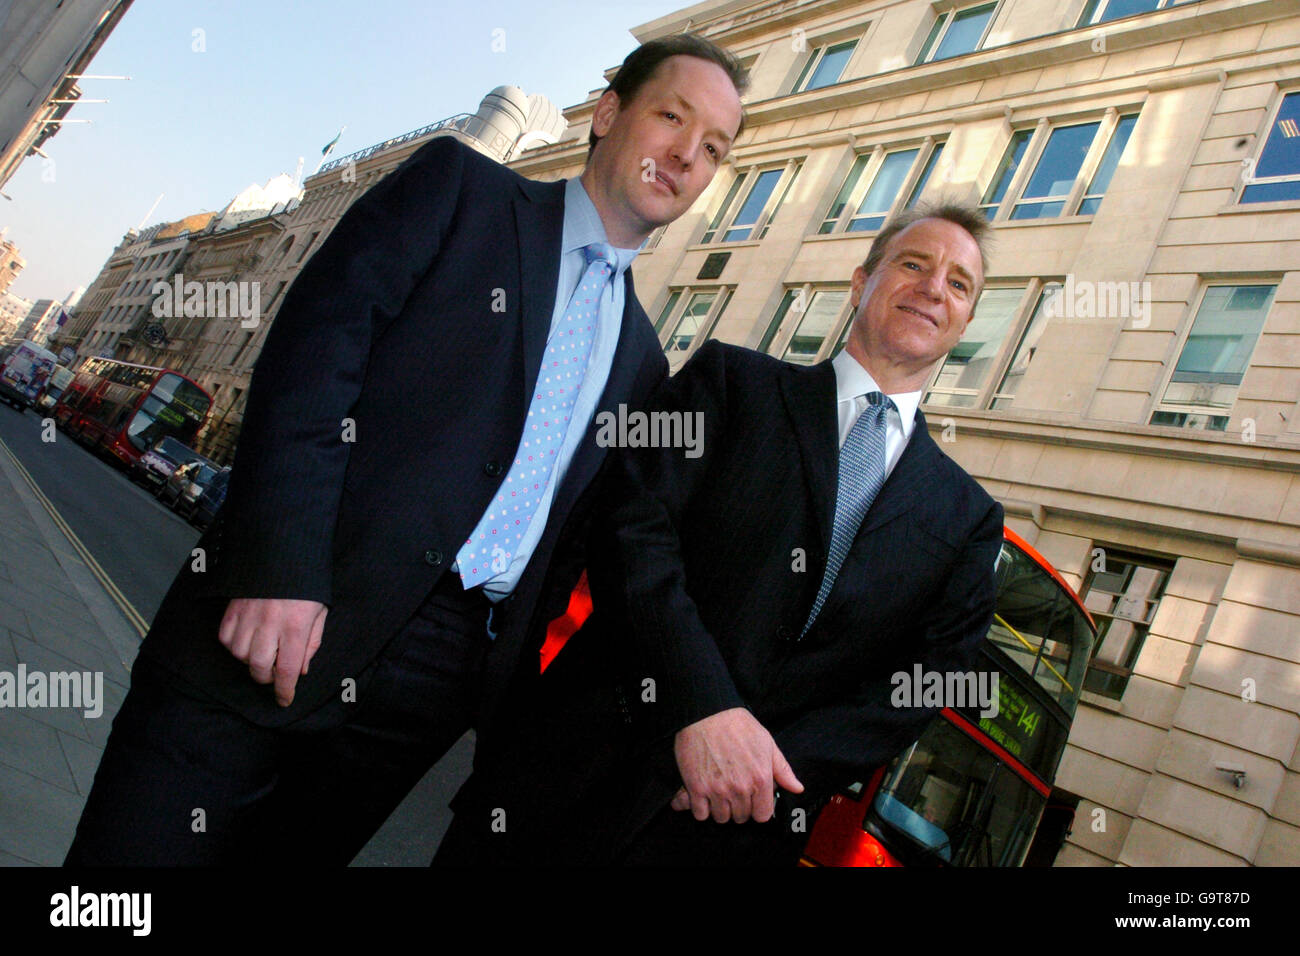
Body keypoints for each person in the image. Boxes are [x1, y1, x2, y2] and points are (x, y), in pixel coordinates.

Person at [65, 34, 747, 866]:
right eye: (672, 117)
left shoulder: (643, 357)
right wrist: (279, 566)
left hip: (432, 689)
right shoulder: (460, 192)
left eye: (713, 148)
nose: (685, 154)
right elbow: (316, 358)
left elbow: (583, 544)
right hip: (286, 619)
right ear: (608, 114)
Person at [437, 202, 1005, 866]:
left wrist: (760, 773)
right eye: (914, 263)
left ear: (965, 321)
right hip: (561, 788)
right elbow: (631, 530)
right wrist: (701, 707)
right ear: (860, 282)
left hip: (732, 834)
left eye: (959, 284)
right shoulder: (730, 383)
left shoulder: (968, 520)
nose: (935, 287)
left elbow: (928, 681)